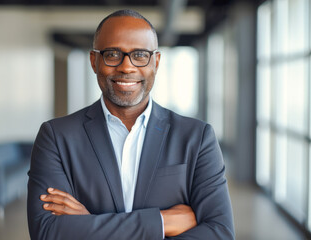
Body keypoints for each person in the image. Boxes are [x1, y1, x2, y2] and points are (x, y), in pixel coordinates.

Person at [27, 9, 234, 240]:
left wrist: (88, 224)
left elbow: (220, 233)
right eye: (113, 54)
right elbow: (48, 233)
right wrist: (161, 222)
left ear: (155, 62)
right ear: (94, 61)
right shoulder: (56, 137)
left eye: (140, 55)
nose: (127, 67)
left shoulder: (197, 137)